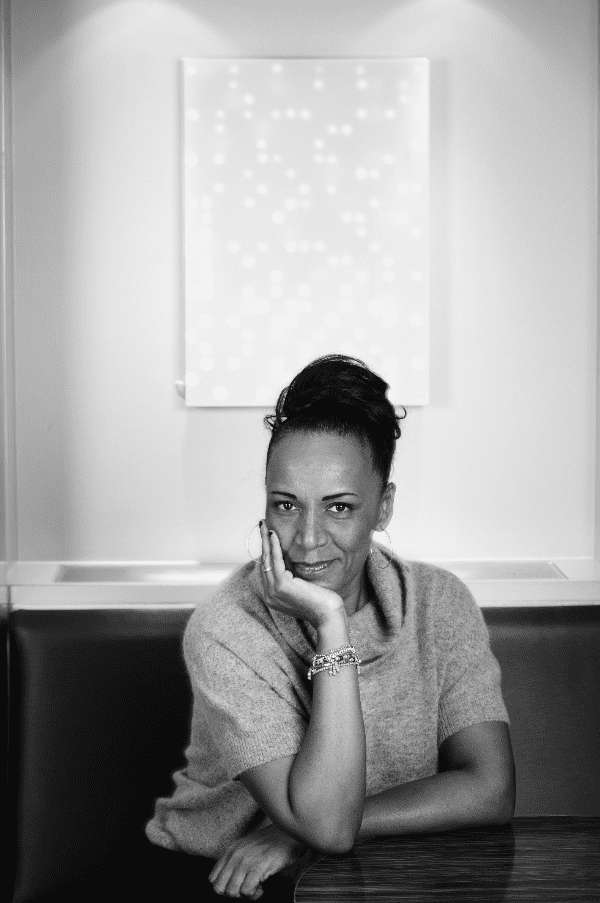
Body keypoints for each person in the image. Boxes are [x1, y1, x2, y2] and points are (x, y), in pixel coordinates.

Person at [144, 354, 515, 901]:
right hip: (228, 880)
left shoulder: (440, 603)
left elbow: (490, 789)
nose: (308, 538)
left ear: (383, 507)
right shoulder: (225, 629)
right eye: (286, 504)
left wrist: (291, 833)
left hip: (381, 870)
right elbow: (329, 827)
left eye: (339, 507)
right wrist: (331, 623)